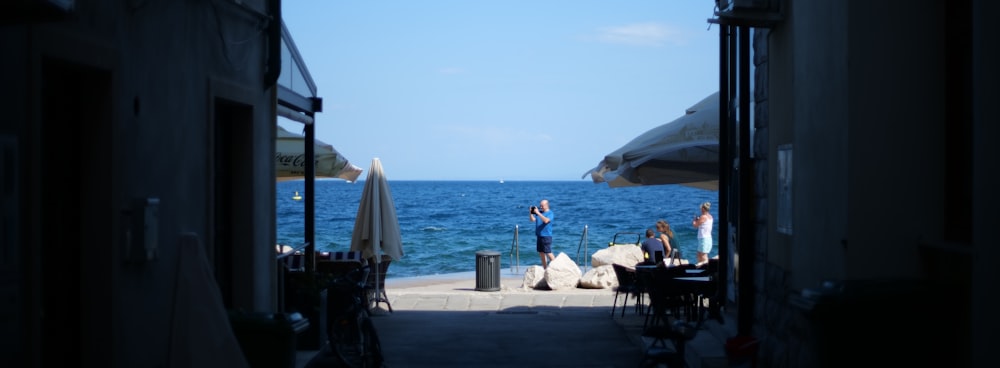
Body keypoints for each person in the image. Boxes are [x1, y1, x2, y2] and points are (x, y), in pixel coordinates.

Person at [530, 199, 555, 268]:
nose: (540, 207)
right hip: (539, 235)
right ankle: (545, 268)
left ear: (547, 205)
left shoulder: (550, 213)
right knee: (541, 253)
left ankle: (556, 266)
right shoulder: (540, 212)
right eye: (540, 205)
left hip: (546, 236)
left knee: (548, 252)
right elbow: (532, 220)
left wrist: (538, 213)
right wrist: (531, 213)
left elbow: (546, 220)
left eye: (542, 206)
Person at [692, 201, 714, 266]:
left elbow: (695, 225)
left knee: (703, 256)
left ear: (703, 209)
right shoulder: (710, 216)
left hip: (704, 238)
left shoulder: (703, 217)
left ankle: (705, 268)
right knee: (699, 255)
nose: (700, 210)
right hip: (707, 238)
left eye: (701, 208)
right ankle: (701, 268)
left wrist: (694, 220)